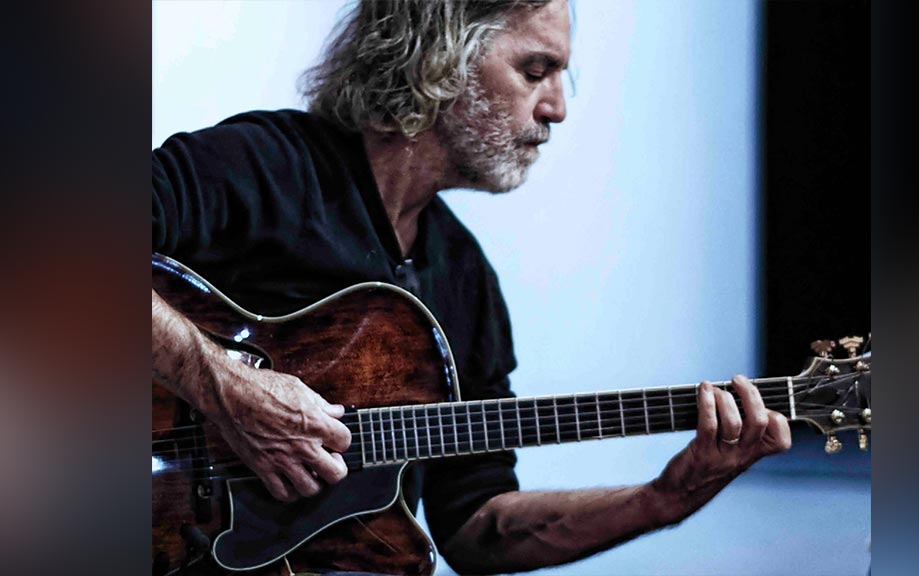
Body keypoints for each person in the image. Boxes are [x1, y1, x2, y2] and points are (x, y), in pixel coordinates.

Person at [152, 1, 792, 574]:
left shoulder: (463, 280)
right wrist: (223, 387)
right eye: (535, 70)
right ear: (440, 52)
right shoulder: (261, 168)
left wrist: (666, 498)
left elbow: (477, 527)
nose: (558, 108)